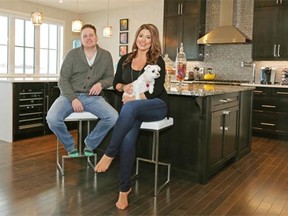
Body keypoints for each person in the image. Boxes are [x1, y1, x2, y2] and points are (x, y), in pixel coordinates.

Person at [95, 24, 169, 210]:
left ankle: (110, 153)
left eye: (148, 37)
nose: (143, 40)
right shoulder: (125, 59)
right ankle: (124, 190)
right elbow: (115, 82)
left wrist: (133, 98)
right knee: (128, 138)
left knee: (129, 107)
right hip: (134, 108)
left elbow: (157, 90)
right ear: (136, 37)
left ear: (153, 41)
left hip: (156, 105)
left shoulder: (157, 60)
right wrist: (123, 88)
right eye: (141, 36)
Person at [46, 24, 118, 158]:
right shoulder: (72, 55)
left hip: (92, 98)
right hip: (69, 96)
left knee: (113, 117)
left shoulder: (106, 55)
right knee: (52, 118)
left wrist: (101, 84)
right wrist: (73, 99)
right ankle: (70, 145)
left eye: (91, 35)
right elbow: (63, 80)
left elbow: (110, 77)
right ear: (81, 39)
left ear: (96, 38)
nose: (88, 38)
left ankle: (90, 143)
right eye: (85, 36)